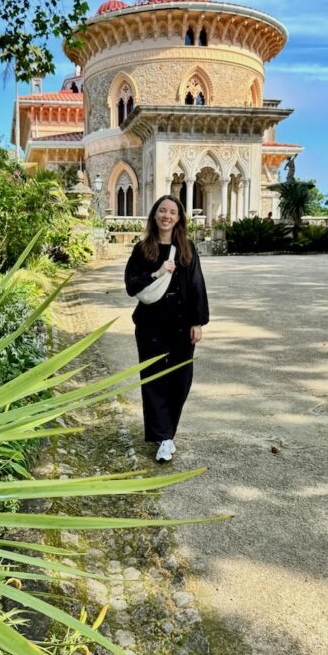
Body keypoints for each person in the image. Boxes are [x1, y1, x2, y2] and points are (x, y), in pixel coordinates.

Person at [125, 196, 209, 463]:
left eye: (172, 212)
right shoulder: (143, 249)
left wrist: (197, 322)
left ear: (178, 218)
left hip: (182, 324)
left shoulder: (186, 248)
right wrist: (157, 273)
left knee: (180, 378)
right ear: (154, 215)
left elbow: (197, 286)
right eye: (162, 210)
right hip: (151, 324)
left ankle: (168, 432)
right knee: (153, 378)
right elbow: (131, 285)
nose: (167, 216)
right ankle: (164, 437)